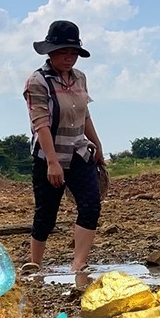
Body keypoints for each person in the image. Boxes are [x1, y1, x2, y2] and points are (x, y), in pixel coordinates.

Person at [22, 20, 106, 277]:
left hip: (80, 152)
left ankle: (79, 263)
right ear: (50, 52)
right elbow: (40, 123)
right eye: (63, 52)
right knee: (46, 212)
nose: (69, 58)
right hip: (50, 153)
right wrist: (52, 162)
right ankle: (35, 262)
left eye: (73, 53)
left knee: (91, 205)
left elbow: (85, 114)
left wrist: (98, 145)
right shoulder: (38, 81)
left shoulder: (80, 78)